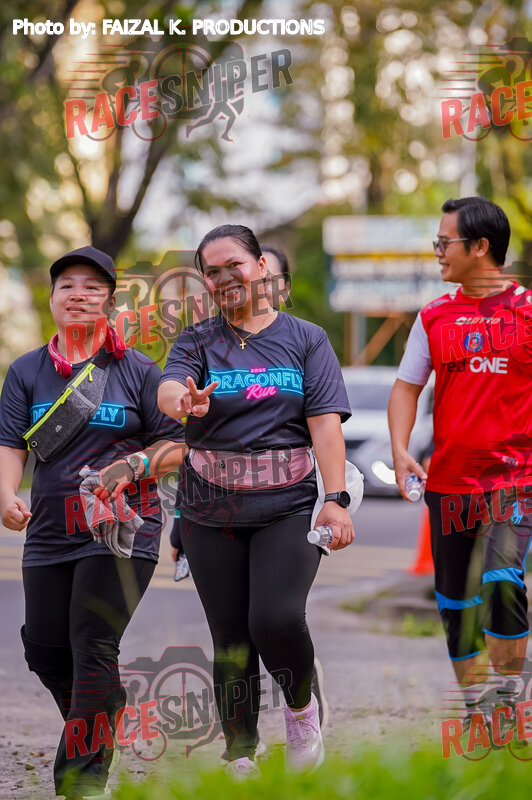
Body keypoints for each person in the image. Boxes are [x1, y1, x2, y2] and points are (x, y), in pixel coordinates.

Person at [158, 224, 353, 775]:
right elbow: (169, 387)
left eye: (234, 266)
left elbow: (325, 425)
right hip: (209, 509)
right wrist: (182, 402)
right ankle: (240, 754)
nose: (224, 278)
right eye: (212, 272)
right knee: (230, 638)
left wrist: (335, 498)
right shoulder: (196, 341)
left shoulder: (306, 338)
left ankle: (301, 712)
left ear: (261, 267)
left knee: (275, 618)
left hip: (287, 503)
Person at [0, 246, 185, 799]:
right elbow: (11, 444)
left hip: (123, 530)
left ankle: (81, 782)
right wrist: (6, 493)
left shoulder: (137, 369)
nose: (78, 295)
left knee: (92, 643)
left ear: (109, 300)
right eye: (67, 286)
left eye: (92, 287)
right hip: (49, 530)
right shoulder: (27, 371)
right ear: (52, 298)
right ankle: (105, 709)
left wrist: (133, 467)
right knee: (44, 649)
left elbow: (176, 445)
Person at [388, 197, 532, 746]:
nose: (438, 252)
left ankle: (508, 698)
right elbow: (407, 388)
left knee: (500, 580)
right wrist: (401, 449)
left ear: (480, 247)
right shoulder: (434, 316)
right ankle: (478, 707)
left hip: (515, 480)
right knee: (455, 604)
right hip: (448, 485)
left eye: (444, 242)